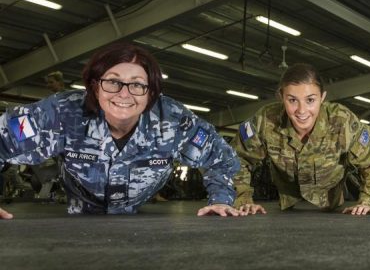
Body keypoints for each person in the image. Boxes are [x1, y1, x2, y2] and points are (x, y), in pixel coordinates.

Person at [0, 43, 241, 220]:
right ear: (95, 86)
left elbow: (222, 159)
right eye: (113, 81)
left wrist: (220, 199)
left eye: (137, 84)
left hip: (141, 223)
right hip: (74, 220)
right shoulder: (61, 112)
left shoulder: (174, 120)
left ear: (151, 92)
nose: (124, 94)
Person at [233, 63, 370, 215]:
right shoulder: (265, 120)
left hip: (331, 203)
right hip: (286, 203)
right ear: (281, 96)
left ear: (322, 97)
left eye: (310, 100)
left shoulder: (342, 121)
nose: (301, 111)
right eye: (292, 100)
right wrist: (243, 199)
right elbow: (237, 158)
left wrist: (367, 202)